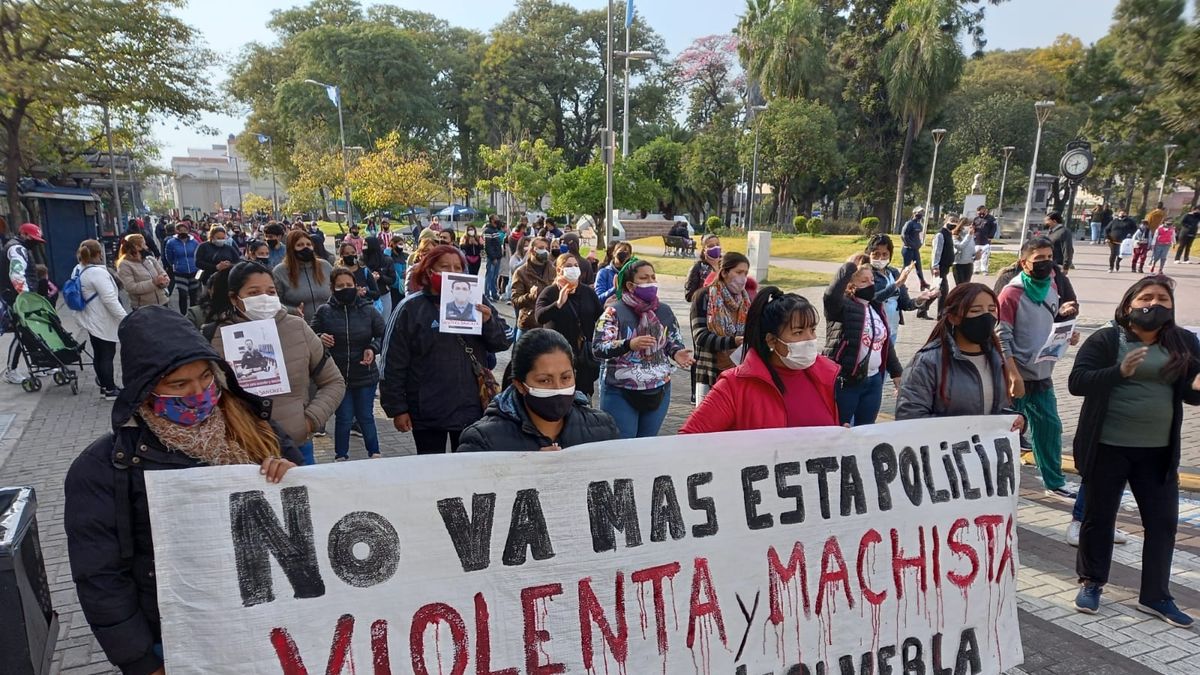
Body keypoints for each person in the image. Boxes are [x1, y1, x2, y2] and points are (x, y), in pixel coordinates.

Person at [65, 306, 301, 675]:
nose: (198, 393)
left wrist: (293, 478)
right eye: (178, 384)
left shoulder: (256, 429)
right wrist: (142, 662)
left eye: (206, 378)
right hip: (177, 641)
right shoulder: (103, 469)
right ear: (144, 388)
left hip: (272, 624)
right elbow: (101, 578)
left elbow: (310, 516)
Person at [1070, 276, 1200, 627]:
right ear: (1129, 304)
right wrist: (1119, 371)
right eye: (1146, 297)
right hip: (1107, 446)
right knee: (1099, 518)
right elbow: (1077, 382)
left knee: (1163, 524)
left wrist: (1197, 385)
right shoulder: (1107, 338)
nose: (1154, 304)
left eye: (1163, 299)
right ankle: (1092, 582)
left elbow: (1190, 394)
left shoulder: (1184, 341)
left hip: (1157, 452)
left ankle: (1156, 596)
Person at [207, 261, 345, 465]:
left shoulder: (298, 327)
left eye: (270, 292)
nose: (264, 298)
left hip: (296, 447)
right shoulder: (214, 336)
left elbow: (334, 381)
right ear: (234, 298)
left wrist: (309, 421)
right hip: (239, 453)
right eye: (254, 293)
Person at [380, 245, 510, 454]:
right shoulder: (410, 308)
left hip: (470, 407)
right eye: (444, 267)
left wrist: (488, 321)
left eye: (458, 267)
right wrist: (397, 408)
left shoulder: (477, 302)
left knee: (468, 470)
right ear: (429, 270)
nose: (452, 272)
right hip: (427, 410)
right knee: (432, 472)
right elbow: (392, 362)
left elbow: (503, 341)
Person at [680, 287, 839, 433]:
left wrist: (842, 439)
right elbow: (688, 438)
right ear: (771, 340)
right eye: (798, 333)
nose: (810, 339)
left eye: (812, 330)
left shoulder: (824, 377)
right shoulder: (734, 386)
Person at [997, 236, 1080, 499]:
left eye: (1049, 257)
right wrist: (1012, 373)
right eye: (1038, 259)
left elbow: (1049, 322)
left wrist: (1068, 333)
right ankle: (999, 485)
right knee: (1007, 432)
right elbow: (1001, 335)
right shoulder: (1011, 293)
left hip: (1042, 372)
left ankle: (1053, 481)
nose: (1045, 264)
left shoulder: (1053, 286)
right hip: (1017, 376)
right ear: (1024, 263)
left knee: (1050, 427)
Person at [458, 329, 620, 452]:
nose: (558, 388)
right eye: (545, 380)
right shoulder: (481, 441)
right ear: (520, 385)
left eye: (565, 378)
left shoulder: (603, 429)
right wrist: (528, 471)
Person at [895, 282, 1024, 432]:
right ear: (954, 317)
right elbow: (909, 420)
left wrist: (1015, 420)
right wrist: (964, 430)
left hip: (985, 452)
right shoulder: (927, 362)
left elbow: (998, 409)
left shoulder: (996, 358)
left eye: (992, 309)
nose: (987, 316)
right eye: (976, 310)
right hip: (945, 453)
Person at [593, 258, 694, 438]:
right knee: (623, 445)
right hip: (621, 390)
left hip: (659, 386)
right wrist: (628, 344)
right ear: (631, 285)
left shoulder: (664, 311)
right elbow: (599, 347)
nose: (651, 282)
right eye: (644, 278)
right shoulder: (614, 311)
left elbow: (672, 340)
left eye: (653, 277)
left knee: (646, 445)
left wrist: (677, 352)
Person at [314, 267, 386, 461]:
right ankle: (341, 456)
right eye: (340, 286)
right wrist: (320, 337)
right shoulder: (324, 311)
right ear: (332, 288)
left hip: (364, 372)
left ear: (356, 286)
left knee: (365, 417)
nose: (345, 288)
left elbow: (383, 334)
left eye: (349, 285)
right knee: (344, 418)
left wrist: (373, 347)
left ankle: (375, 453)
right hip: (337, 376)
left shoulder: (368, 310)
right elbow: (310, 335)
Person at [824, 258, 902, 426]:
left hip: (874, 380)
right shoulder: (842, 307)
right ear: (851, 285)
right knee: (840, 428)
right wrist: (848, 268)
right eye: (864, 281)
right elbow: (830, 296)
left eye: (872, 280)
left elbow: (885, 343)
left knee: (866, 430)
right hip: (847, 380)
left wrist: (896, 371)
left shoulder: (875, 307)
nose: (870, 284)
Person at [534, 252, 604, 397]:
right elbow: (539, 317)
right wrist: (558, 304)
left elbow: (600, 317)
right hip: (558, 354)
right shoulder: (550, 292)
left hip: (583, 355)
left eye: (575, 265)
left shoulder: (587, 292)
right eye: (568, 266)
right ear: (559, 270)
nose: (573, 269)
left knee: (583, 395)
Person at [689, 252, 753, 404]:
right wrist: (733, 342)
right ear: (724, 272)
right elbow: (700, 337)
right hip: (710, 372)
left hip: (737, 373)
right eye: (738, 272)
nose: (743, 278)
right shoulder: (704, 297)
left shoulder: (745, 301)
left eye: (746, 273)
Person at [73, 240, 128, 399]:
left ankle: (104, 386)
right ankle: (110, 389)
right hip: (102, 319)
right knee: (107, 354)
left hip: (90, 317)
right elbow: (110, 300)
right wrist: (125, 318)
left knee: (99, 353)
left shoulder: (78, 269)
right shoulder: (97, 273)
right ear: (98, 254)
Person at [865, 234, 937, 343]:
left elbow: (905, 304)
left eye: (885, 254)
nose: (880, 258)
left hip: (891, 329)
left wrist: (919, 300)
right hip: (872, 330)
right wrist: (897, 284)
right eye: (876, 254)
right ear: (869, 254)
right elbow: (873, 299)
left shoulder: (893, 273)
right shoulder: (866, 274)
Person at [273, 229, 333, 323]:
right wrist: (292, 310)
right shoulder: (280, 272)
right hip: (298, 325)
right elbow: (274, 303)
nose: (305, 248)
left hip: (328, 323)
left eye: (308, 245)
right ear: (291, 249)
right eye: (300, 245)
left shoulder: (325, 266)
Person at [510, 236, 556, 341]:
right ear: (532, 250)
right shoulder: (521, 272)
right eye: (541, 247)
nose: (544, 251)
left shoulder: (553, 270)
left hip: (548, 324)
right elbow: (515, 301)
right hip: (529, 324)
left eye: (546, 248)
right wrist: (529, 296)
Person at [116, 233, 170, 309]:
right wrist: (154, 283)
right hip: (144, 307)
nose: (147, 247)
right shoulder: (125, 265)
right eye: (144, 244)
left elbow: (163, 273)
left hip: (162, 302)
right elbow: (131, 287)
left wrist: (164, 281)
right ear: (136, 247)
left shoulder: (150, 259)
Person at [163, 220, 200, 315]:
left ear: (188, 231)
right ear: (177, 231)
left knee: (193, 294)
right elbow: (168, 257)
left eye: (185, 229)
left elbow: (198, 254)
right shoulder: (171, 242)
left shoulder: (194, 242)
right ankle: (183, 315)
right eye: (180, 230)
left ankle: (193, 315)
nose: (183, 231)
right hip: (180, 272)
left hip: (194, 271)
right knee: (183, 294)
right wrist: (175, 264)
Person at [929, 214, 956, 315]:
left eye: (955, 221)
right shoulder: (940, 234)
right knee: (943, 290)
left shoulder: (949, 234)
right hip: (939, 267)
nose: (953, 223)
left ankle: (922, 308)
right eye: (951, 221)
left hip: (945, 266)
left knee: (937, 290)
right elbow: (936, 251)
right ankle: (941, 314)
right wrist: (935, 266)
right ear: (946, 221)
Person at [900, 207, 931, 294]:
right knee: (906, 268)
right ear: (914, 213)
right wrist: (910, 244)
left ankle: (923, 283)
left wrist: (919, 244)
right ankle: (899, 284)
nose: (920, 214)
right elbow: (903, 236)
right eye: (919, 213)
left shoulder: (919, 225)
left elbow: (920, 236)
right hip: (908, 249)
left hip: (915, 250)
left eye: (922, 213)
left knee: (919, 267)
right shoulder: (909, 223)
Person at [684, 234, 721, 303]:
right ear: (704, 249)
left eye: (717, 244)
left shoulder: (725, 265)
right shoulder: (698, 267)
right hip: (703, 308)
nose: (715, 248)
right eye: (711, 246)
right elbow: (689, 295)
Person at [383, 234, 408, 309]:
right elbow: (385, 259)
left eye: (402, 244)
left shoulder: (404, 255)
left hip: (403, 286)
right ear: (393, 244)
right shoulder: (389, 256)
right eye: (400, 244)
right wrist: (388, 249)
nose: (401, 246)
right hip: (393, 287)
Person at [483, 215, 505, 300]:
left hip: (498, 257)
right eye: (496, 218)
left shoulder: (496, 230)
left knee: (495, 276)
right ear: (492, 220)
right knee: (490, 276)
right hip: (492, 258)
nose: (498, 220)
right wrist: (493, 257)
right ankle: (487, 294)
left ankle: (494, 293)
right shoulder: (488, 231)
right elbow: (488, 246)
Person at [951, 216, 977, 286]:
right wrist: (968, 236)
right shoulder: (955, 236)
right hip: (959, 265)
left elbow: (972, 250)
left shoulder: (971, 237)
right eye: (968, 225)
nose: (970, 227)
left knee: (966, 286)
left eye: (971, 225)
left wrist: (976, 255)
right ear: (962, 226)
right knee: (960, 286)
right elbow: (960, 247)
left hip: (969, 264)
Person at [972, 205, 998, 274]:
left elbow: (994, 228)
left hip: (986, 240)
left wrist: (990, 237)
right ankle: (976, 269)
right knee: (976, 256)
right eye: (979, 212)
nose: (980, 213)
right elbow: (973, 227)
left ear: (985, 210)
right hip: (976, 240)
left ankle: (984, 270)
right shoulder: (976, 219)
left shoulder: (991, 219)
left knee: (984, 256)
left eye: (982, 211)